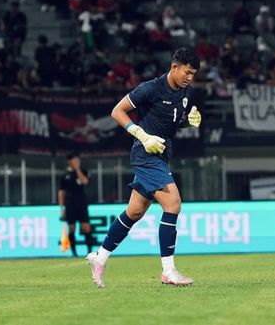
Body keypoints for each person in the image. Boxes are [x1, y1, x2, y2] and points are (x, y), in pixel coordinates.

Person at [86, 47, 201, 288]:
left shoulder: (185, 92)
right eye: (187, 72)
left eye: (193, 74)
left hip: (162, 155)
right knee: (173, 204)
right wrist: (139, 132)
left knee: (134, 212)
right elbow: (117, 111)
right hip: (145, 154)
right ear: (174, 67)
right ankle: (168, 271)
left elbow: (170, 120)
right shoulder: (150, 88)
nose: (190, 77)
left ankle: (100, 257)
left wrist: (186, 123)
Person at [59, 151, 93, 257]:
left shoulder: (83, 171)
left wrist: (77, 169)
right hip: (70, 205)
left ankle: (89, 252)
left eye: (78, 160)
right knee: (72, 228)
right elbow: (61, 192)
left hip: (82, 204)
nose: (77, 161)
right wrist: (62, 208)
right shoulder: (64, 175)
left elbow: (85, 182)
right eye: (74, 160)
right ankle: (74, 253)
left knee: (86, 227)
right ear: (69, 162)